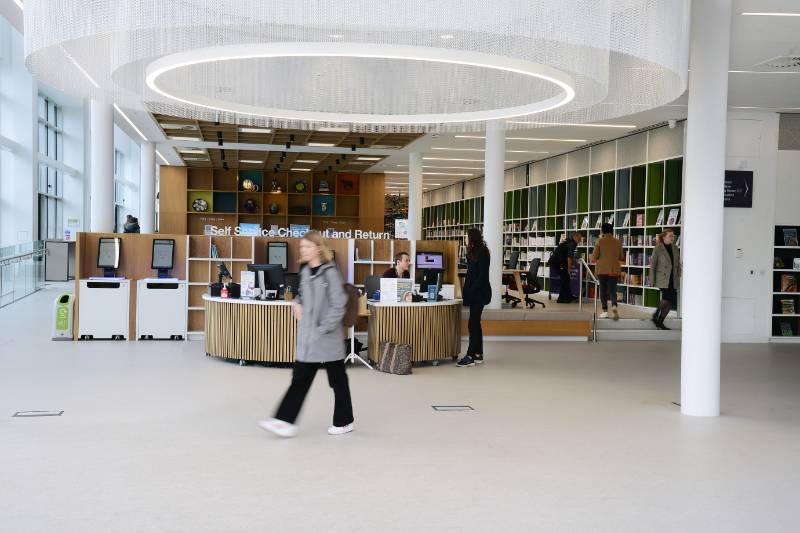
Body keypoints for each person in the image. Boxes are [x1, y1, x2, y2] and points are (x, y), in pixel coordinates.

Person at [259, 231, 354, 437]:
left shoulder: (330, 273)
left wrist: (323, 328)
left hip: (326, 338)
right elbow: (301, 296)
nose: (304, 250)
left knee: (337, 381)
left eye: (308, 247)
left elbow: (339, 305)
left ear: (318, 248)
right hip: (309, 338)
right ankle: (284, 421)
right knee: (301, 378)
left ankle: (344, 421)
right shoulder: (304, 271)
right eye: (302, 247)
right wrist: (296, 304)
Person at [457, 228, 491, 367]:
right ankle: (478, 354)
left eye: (467, 236)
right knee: (475, 323)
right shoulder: (472, 252)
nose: (465, 238)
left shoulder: (482, 252)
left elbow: (483, 276)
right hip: (474, 292)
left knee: (473, 323)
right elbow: (472, 272)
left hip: (480, 293)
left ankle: (470, 356)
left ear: (472, 238)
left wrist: (471, 289)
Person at [649, 229, 682, 330]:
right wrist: (652, 280)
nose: (673, 238)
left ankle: (659, 321)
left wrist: (679, 270)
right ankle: (656, 314)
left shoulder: (675, 248)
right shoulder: (658, 249)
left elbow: (677, 262)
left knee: (670, 301)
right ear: (664, 237)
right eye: (670, 236)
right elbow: (653, 265)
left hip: (673, 278)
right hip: (663, 278)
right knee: (667, 298)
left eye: (673, 236)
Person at [592, 223, 625, 320]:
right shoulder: (617, 242)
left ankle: (605, 311)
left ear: (602, 231)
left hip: (602, 269)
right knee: (612, 289)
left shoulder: (600, 241)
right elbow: (621, 256)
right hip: (614, 269)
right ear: (612, 230)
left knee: (603, 290)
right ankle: (614, 305)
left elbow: (594, 256)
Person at [555, 232, 583, 303]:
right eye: (579, 238)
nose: (580, 240)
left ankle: (568, 296)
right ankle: (561, 299)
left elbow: (569, 256)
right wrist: (569, 269)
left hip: (558, 261)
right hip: (558, 262)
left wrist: (573, 263)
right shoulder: (572, 244)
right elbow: (569, 257)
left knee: (566, 279)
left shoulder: (569, 241)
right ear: (575, 237)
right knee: (565, 279)